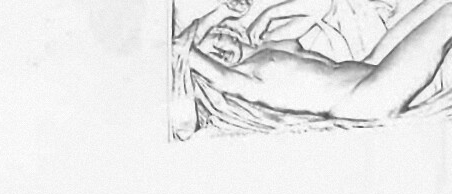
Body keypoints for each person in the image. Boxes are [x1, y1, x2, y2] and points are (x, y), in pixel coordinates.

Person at [184, 0, 452, 118]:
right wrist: (216, 15)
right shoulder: (241, 76)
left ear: (227, 30)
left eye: (215, 39)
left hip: (373, 65)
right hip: (363, 98)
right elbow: (179, 48)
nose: (217, 52)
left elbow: (321, 5)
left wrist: (267, 15)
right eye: (210, 55)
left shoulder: (270, 43)